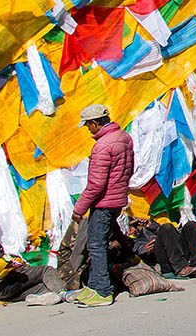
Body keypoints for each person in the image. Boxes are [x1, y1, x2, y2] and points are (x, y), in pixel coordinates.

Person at [71, 103, 135, 307]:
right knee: (100, 242)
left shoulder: (102, 146)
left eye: (88, 125)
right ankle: (94, 285)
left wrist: (79, 208)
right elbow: (128, 169)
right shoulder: (125, 138)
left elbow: (96, 184)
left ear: (95, 123)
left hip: (103, 203)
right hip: (117, 199)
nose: (88, 130)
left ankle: (103, 290)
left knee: (96, 245)